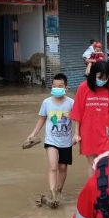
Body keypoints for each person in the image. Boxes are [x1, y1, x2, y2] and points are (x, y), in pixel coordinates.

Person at [25, 73, 74, 208]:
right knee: (53, 167)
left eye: (60, 86)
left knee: (62, 167)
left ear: (66, 87)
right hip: (51, 140)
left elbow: (78, 120)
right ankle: (53, 194)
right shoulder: (47, 102)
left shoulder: (71, 103)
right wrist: (33, 133)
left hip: (66, 141)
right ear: (51, 87)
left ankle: (58, 190)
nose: (57, 88)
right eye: (54, 86)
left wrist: (79, 135)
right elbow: (42, 119)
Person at [71, 60, 109, 176]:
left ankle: (104, 189)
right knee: (92, 164)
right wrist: (76, 134)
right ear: (93, 74)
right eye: (99, 77)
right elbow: (77, 112)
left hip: (105, 133)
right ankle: (94, 191)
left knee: (105, 162)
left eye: (105, 78)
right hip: (88, 132)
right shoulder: (83, 88)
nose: (102, 81)